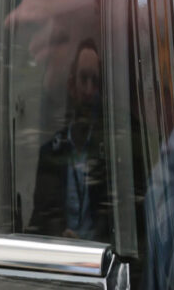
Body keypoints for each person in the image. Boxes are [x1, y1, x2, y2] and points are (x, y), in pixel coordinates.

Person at [26, 38, 111, 241]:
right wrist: (60, 237)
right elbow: (41, 218)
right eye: (84, 79)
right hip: (62, 256)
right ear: (72, 86)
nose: (89, 90)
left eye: (95, 81)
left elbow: (118, 219)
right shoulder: (51, 153)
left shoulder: (111, 152)